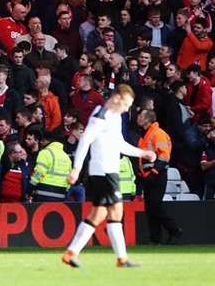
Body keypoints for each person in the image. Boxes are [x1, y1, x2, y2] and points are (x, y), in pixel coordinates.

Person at [63, 84, 155, 268]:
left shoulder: (113, 117)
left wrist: (141, 153)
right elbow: (86, 140)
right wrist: (76, 168)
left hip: (107, 171)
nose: (127, 109)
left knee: (98, 214)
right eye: (126, 104)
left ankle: (71, 252)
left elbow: (119, 144)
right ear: (116, 99)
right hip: (103, 171)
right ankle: (121, 259)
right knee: (116, 212)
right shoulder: (101, 115)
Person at [136, 108, 183, 244]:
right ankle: (155, 239)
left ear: (147, 119)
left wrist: (154, 172)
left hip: (157, 175)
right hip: (148, 176)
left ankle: (174, 230)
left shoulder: (158, 134)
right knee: (150, 208)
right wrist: (141, 174)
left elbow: (164, 155)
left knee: (155, 206)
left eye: (141, 116)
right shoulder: (145, 135)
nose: (138, 117)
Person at [29, 129, 72, 202]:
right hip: (60, 194)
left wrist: (30, 187)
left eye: (43, 140)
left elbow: (39, 172)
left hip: (43, 193)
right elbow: (69, 177)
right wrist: (66, 190)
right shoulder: (66, 156)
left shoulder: (45, 152)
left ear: (49, 141)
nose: (41, 142)